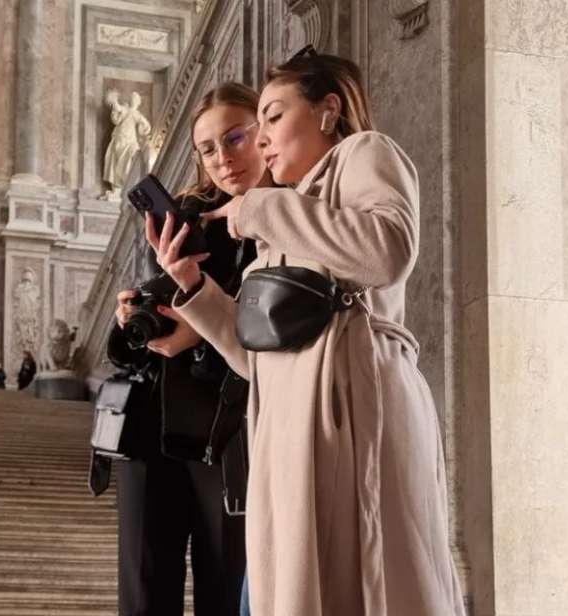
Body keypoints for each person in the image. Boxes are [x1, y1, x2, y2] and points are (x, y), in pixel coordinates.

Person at [147, 49, 466, 615]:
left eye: (272, 116)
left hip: (355, 406)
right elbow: (256, 354)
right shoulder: (284, 213)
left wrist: (258, 209)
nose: (263, 136)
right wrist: (191, 284)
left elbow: (387, 251)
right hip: (287, 431)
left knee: (371, 587)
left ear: (327, 111)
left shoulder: (363, 154)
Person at [99, 82, 269, 616]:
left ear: (264, 129)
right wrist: (129, 317)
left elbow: (283, 320)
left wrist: (200, 324)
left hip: (228, 428)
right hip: (152, 422)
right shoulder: (185, 215)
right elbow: (144, 332)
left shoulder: (292, 210)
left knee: (228, 582)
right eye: (208, 148)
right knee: (144, 587)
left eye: (235, 137)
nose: (223, 158)